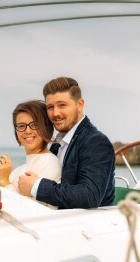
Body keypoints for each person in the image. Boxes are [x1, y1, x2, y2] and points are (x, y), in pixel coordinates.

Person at [18, 76, 115, 209]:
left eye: (62, 105)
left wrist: (36, 186)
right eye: (50, 107)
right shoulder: (57, 144)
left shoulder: (96, 141)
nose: (55, 113)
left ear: (79, 105)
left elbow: (90, 196)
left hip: (88, 224)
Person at [0, 100, 61, 206]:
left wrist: (4, 181)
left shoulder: (50, 163)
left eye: (35, 125)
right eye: (21, 126)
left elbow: (32, 209)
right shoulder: (20, 169)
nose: (28, 131)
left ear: (46, 127)